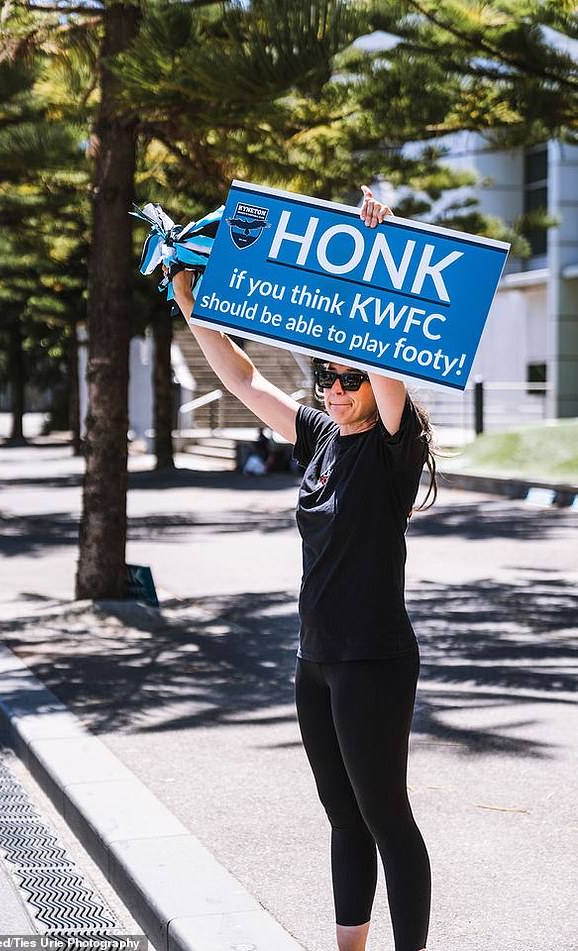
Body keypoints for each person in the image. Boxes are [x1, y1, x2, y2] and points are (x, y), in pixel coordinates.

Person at [170, 185, 434, 951]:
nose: (336, 389)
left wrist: (373, 261)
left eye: (349, 379)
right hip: (315, 658)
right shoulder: (320, 432)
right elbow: (244, 380)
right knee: (343, 816)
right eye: (328, 377)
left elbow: (386, 360)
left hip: (373, 660)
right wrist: (189, 295)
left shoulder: (391, 447)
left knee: (387, 816)